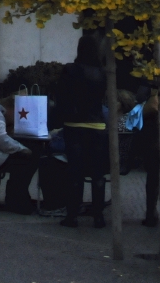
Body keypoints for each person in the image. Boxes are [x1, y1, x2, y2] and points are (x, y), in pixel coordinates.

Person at [57, 36, 108, 228]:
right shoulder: (102, 73)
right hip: (97, 125)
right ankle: (98, 216)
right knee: (97, 173)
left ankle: (72, 216)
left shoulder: (70, 70)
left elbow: (61, 95)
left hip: (74, 124)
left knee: (75, 173)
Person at [0, 84, 38, 214]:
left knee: (25, 157)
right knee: (29, 161)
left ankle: (16, 198)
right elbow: (3, 141)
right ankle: (17, 200)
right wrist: (22, 148)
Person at [133, 85, 160, 226]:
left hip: (152, 135)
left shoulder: (146, 86)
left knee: (153, 176)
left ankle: (151, 213)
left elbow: (138, 101)